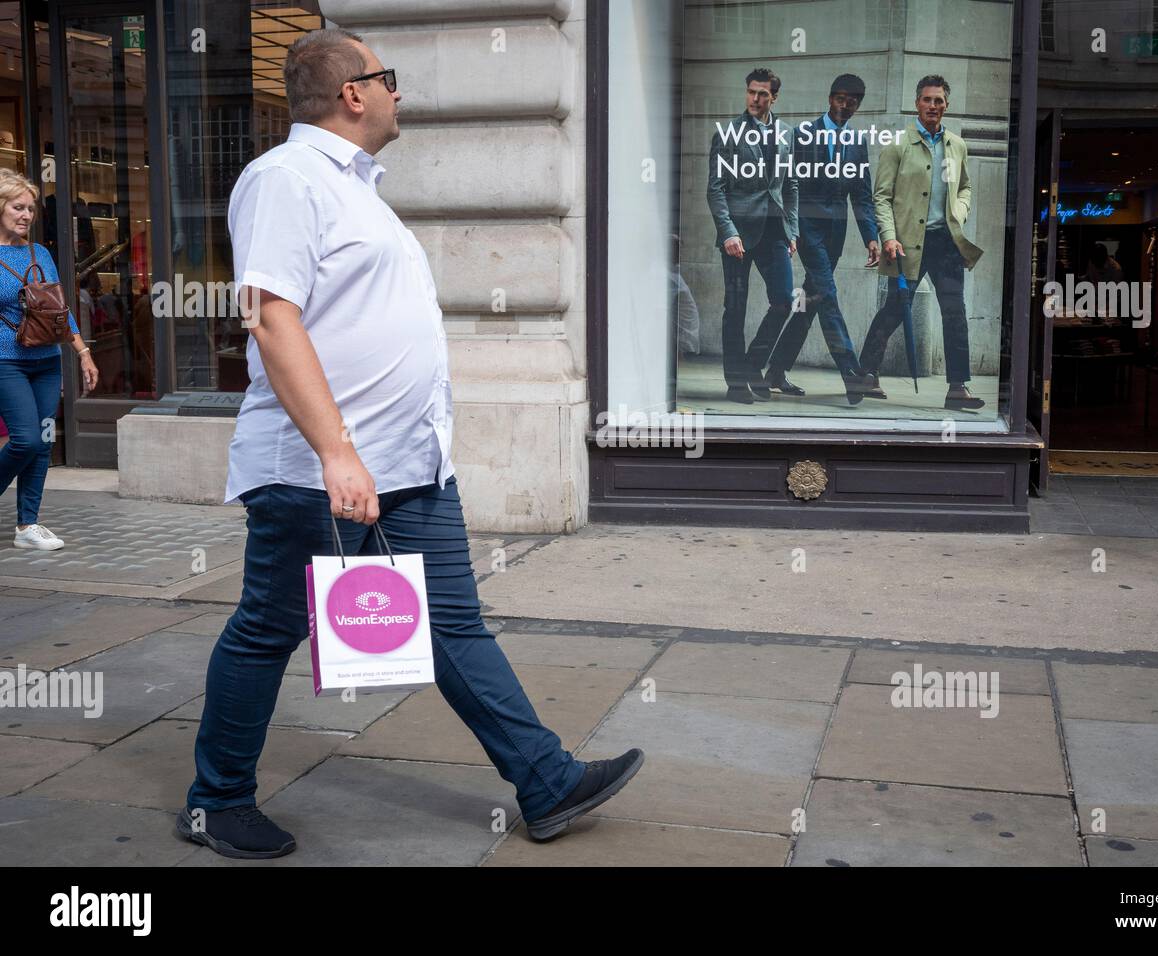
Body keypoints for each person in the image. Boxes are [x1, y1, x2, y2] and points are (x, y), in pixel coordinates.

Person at [178, 28, 642, 859]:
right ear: (353, 92)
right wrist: (336, 453)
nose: (402, 92)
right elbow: (272, 320)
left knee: (455, 626)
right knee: (268, 627)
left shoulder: (360, 190)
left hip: (413, 465)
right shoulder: (284, 180)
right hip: (321, 469)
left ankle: (544, 780)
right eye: (389, 78)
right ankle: (216, 800)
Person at [858, 75, 985, 410]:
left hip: (947, 243)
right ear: (917, 103)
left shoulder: (957, 146)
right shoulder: (898, 145)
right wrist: (888, 236)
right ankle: (866, 373)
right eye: (928, 99)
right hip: (907, 243)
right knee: (896, 309)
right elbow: (881, 197)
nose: (933, 106)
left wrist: (961, 209)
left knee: (955, 312)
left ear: (946, 105)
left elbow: (966, 188)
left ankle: (957, 387)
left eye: (939, 100)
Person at [763, 73, 880, 405]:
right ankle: (852, 373)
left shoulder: (857, 144)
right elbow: (787, 185)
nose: (845, 105)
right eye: (840, 98)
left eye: (853, 101)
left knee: (809, 304)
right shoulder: (804, 135)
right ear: (830, 98)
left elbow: (862, 196)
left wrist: (870, 237)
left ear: (858, 106)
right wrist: (790, 230)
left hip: (836, 236)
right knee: (827, 295)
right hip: (807, 229)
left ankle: (775, 371)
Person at [0, 169, 99, 552]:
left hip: (47, 360)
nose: (26, 215)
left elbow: (60, 310)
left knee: (42, 441)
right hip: (7, 361)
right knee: (24, 440)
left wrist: (83, 353)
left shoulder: (38, 253)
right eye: (18, 207)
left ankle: (28, 525)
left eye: (30, 209)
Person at [706, 67, 799, 404]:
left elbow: (791, 185)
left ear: (774, 96)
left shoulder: (787, 133)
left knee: (784, 301)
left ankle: (751, 365)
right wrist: (728, 232)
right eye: (751, 92)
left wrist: (793, 230)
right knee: (736, 308)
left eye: (763, 94)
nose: (755, 99)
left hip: (775, 230)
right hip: (739, 236)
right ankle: (735, 383)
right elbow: (715, 189)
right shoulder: (728, 132)